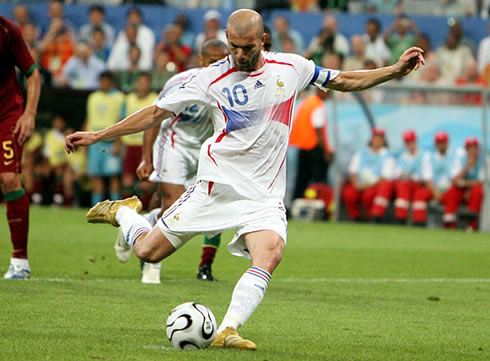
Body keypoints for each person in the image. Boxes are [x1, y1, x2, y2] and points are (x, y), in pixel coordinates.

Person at [65, 9, 425, 350]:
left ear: (263, 40)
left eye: (248, 47)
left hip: (263, 196)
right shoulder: (209, 78)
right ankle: (123, 213)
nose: (239, 54)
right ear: (226, 39)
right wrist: (98, 136)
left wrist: (394, 70)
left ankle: (227, 329)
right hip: (215, 186)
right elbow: (156, 112)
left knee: (270, 253)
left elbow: (343, 79)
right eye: (234, 46)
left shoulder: (292, 67)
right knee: (147, 251)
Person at [116, 40, 230, 284]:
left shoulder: (231, 86)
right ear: (200, 61)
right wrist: (146, 158)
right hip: (174, 144)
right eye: (213, 61)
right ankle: (151, 266)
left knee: (196, 212)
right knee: (175, 206)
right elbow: (154, 118)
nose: (218, 66)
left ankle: (138, 222)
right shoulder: (180, 83)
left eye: (223, 61)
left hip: (203, 151)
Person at [1, 16, 41, 279]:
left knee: (9, 179)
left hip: (7, 114)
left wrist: (30, 113)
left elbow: (32, 73)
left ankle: (20, 261)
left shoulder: (7, 30)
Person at [85, 71, 125, 206]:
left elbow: (122, 121)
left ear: (111, 82)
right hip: (95, 143)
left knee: (113, 176)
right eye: (102, 81)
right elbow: (89, 118)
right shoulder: (93, 97)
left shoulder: (119, 97)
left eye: (107, 81)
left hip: (111, 142)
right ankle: (96, 207)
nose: (104, 83)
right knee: (96, 176)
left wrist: (118, 142)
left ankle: (116, 208)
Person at [342, 127, 396, 222]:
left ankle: (370, 218)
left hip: (374, 185)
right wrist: (356, 184)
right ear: (371, 139)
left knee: (369, 195)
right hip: (359, 183)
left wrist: (366, 186)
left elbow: (384, 178)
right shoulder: (361, 153)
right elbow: (352, 171)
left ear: (383, 141)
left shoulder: (388, 156)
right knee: (349, 193)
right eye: (375, 137)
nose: (377, 140)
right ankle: (355, 218)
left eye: (380, 138)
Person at [289, 86, 333, 201]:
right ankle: (321, 206)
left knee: (301, 179)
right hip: (314, 147)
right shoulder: (318, 105)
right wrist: (326, 152)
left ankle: (295, 203)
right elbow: (318, 129)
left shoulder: (307, 102)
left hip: (303, 146)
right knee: (319, 181)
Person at [120, 73, 157, 202]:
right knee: (127, 181)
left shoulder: (155, 98)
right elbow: (121, 120)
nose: (142, 85)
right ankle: (124, 208)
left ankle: (146, 209)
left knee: (147, 181)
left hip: (147, 146)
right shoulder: (128, 99)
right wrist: (118, 141)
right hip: (130, 145)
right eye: (140, 82)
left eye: (145, 82)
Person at [412, 131, 455, 226]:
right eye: (439, 142)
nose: (441, 145)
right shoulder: (429, 157)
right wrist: (436, 192)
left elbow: (455, 176)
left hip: (450, 188)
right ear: (435, 144)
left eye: (443, 142)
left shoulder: (455, 155)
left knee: (453, 194)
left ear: (447, 142)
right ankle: (419, 223)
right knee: (420, 193)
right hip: (433, 188)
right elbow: (427, 178)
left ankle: (450, 225)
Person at [444, 137, 484, 230]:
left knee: (477, 191)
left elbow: (481, 182)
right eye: (469, 148)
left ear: (478, 149)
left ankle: (472, 224)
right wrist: (467, 166)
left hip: (474, 189)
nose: (472, 150)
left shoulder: (484, 161)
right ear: (466, 149)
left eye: (474, 147)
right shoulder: (460, 159)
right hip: (463, 188)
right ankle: (449, 224)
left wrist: (465, 185)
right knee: (453, 191)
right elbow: (454, 180)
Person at [393, 129, 423, 224]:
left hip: (420, 185)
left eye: (411, 141)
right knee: (402, 188)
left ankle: (419, 223)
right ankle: (401, 220)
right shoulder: (402, 156)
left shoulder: (424, 155)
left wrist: (412, 177)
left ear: (415, 141)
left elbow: (426, 176)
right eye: (407, 142)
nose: (409, 144)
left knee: (419, 195)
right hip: (405, 184)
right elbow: (397, 174)